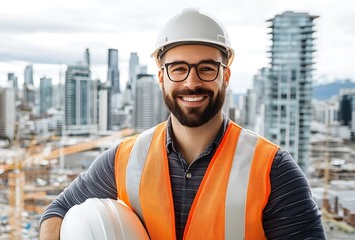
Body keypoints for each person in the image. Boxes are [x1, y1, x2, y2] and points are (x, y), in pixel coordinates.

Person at [39, 8, 326, 240]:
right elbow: (57, 211)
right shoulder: (122, 160)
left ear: (225, 76)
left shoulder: (273, 168)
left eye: (206, 68)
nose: (191, 82)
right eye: (178, 69)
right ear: (161, 78)